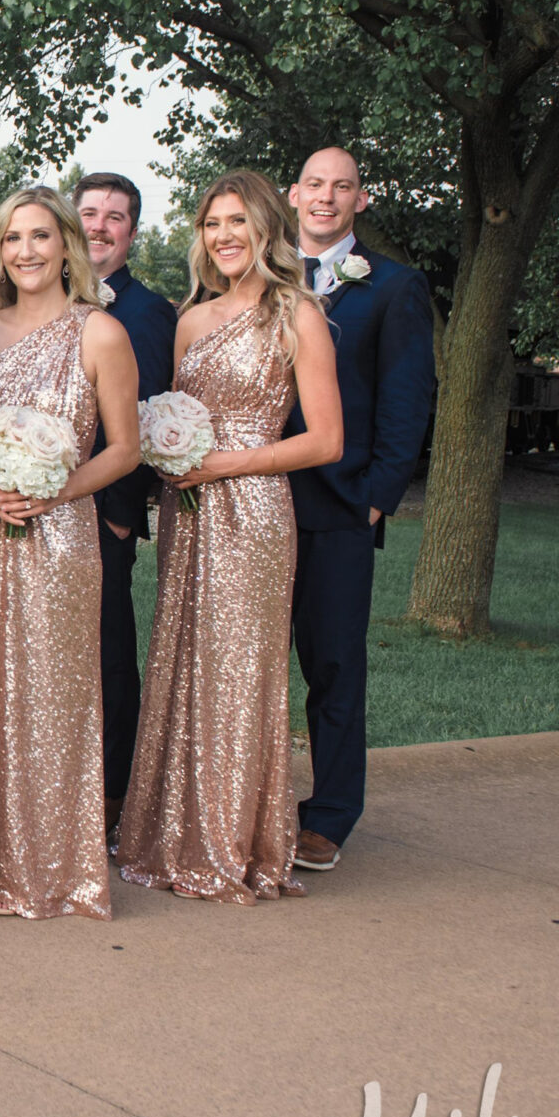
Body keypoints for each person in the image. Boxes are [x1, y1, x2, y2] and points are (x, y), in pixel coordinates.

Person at [115, 170, 342, 905]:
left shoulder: (297, 314)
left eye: (238, 221)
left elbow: (327, 441)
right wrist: (171, 452)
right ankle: (176, 832)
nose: (224, 236)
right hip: (191, 511)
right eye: (213, 223)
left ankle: (234, 841)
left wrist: (227, 464)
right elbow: (177, 413)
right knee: (183, 661)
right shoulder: (191, 319)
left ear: (268, 228)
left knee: (243, 672)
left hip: (254, 508)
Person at [0, 187, 140, 918]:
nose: (26, 250)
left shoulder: (99, 334)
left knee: (49, 692)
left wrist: (55, 491)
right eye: (12, 237)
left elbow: (126, 448)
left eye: (41, 236)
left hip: (59, 536)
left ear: (67, 247)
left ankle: (44, 860)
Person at [283, 147, 437, 873]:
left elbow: (408, 401)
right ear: (293, 194)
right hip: (250, 507)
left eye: (342, 187)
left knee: (335, 666)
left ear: (361, 201)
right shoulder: (257, 275)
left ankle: (331, 814)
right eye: (315, 184)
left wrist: (375, 500)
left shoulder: (394, 287)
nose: (326, 197)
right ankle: (244, 804)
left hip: (339, 509)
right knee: (240, 665)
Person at [74, 171, 176, 835]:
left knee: (108, 654)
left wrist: (117, 510)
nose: (100, 227)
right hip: (33, 507)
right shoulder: (43, 301)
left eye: (115, 217)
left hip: (101, 512)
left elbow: (152, 414)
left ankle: (112, 794)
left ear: (131, 232)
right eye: (88, 213)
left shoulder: (149, 313)